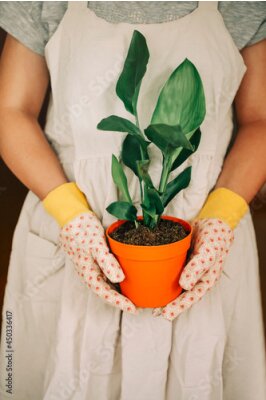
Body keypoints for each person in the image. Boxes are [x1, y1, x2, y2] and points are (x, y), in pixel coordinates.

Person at [0, 1, 265, 399]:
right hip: (70, 229)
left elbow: (259, 120)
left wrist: (221, 216)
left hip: (200, 245)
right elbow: (10, 111)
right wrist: (70, 215)